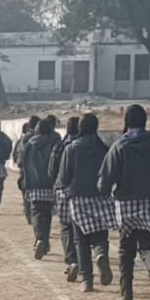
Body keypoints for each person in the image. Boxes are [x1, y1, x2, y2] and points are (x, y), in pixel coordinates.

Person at [100, 104, 150, 300]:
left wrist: (104, 189)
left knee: (126, 251)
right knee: (148, 245)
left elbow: (106, 178)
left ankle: (127, 295)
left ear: (126, 121)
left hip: (126, 204)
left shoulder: (119, 147)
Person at [57, 114, 118, 293]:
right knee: (100, 236)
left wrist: (64, 187)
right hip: (101, 197)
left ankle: (87, 281)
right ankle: (100, 254)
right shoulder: (104, 148)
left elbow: (64, 177)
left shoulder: (71, 148)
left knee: (80, 241)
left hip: (79, 199)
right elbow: (110, 173)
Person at [21, 117, 62, 260]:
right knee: (47, 214)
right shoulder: (55, 143)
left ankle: (40, 239)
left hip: (34, 185)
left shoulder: (30, 144)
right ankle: (45, 241)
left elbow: (23, 164)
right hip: (50, 185)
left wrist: (25, 183)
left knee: (36, 213)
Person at [53, 116, 81, 281]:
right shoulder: (94, 145)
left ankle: (72, 260)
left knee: (66, 227)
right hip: (85, 193)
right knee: (82, 230)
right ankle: (85, 260)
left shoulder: (62, 146)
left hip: (65, 191)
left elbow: (53, 169)